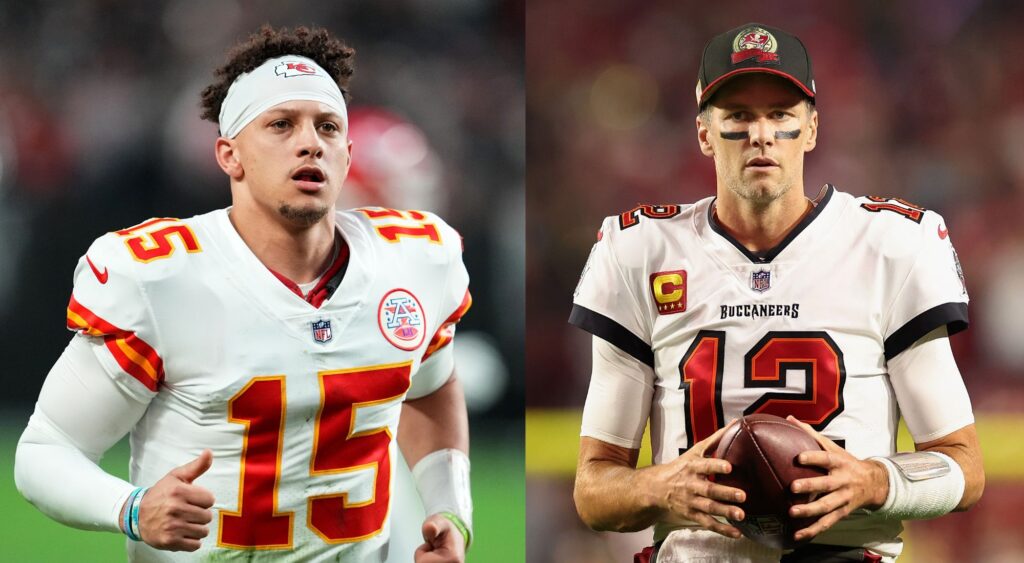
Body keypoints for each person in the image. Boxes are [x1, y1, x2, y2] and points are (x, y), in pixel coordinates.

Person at [14, 25, 473, 563]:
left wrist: (450, 509)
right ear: (229, 155)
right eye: (281, 125)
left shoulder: (414, 258)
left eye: (327, 127)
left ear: (346, 156)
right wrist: (132, 508)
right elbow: (45, 452)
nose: (309, 142)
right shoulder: (162, 278)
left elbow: (431, 388)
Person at [569, 22, 984, 563]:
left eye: (780, 115)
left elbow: (965, 470)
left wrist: (872, 481)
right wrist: (662, 486)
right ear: (704, 132)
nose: (761, 134)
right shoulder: (639, 251)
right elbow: (594, 492)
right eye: (738, 115)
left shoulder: (893, 245)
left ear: (811, 130)